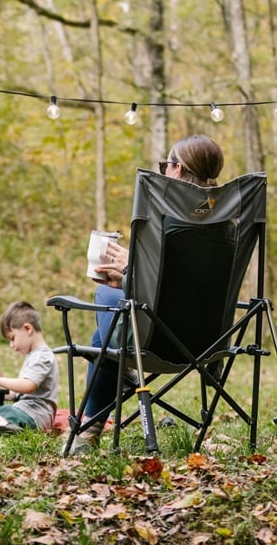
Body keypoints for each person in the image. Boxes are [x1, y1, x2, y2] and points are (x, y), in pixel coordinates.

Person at [65, 134, 225, 455]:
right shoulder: (226, 221)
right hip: (209, 342)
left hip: (155, 342)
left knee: (105, 314)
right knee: (110, 323)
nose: (163, 170)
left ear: (177, 171)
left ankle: (91, 424)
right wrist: (131, 273)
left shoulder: (164, 220)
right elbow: (186, 290)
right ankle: (96, 416)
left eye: (166, 165)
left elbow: (161, 296)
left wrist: (128, 270)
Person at [0, 301, 59, 434]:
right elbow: (19, 393)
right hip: (27, 412)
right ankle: (2, 428)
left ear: (28, 329)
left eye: (12, 338)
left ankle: (11, 430)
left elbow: (28, 386)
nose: (12, 345)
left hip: (34, 415)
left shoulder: (42, 356)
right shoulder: (34, 355)